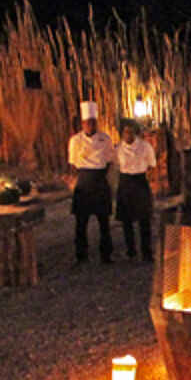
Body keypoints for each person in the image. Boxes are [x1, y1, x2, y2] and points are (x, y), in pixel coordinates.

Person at [68, 101, 116, 263]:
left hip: (100, 180)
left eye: (93, 122)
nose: (90, 125)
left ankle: (106, 255)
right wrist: (83, 176)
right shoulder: (75, 141)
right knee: (81, 222)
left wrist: (102, 175)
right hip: (84, 182)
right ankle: (81, 256)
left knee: (104, 222)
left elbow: (110, 160)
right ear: (82, 124)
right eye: (88, 123)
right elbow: (73, 163)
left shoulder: (105, 139)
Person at [115, 119, 157, 262]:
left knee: (144, 219)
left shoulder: (145, 147)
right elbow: (115, 165)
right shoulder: (118, 149)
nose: (128, 135)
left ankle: (146, 252)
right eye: (125, 132)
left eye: (131, 132)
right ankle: (130, 251)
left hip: (140, 181)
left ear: (135, 132)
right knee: (127, 221)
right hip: (125, 182)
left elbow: (152, 165)